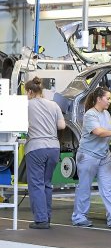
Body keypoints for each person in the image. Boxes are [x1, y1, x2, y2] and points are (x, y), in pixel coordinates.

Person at [72, 86, 111, 228]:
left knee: (108, 187)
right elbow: (98, 131)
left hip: (104, 156)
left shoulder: (106, 114)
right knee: (84, 188)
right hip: (88, 156)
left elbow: (108, 133)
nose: (109, 101)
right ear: (99, 99)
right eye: (108, 98)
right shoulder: (90, 115)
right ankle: (79, 217)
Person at [25, 77, 66, 229]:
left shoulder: (27, 105)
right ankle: (47, 217)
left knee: (36, 184)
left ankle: (41, 220)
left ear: (29, 91)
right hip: (54, 148)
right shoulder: (54, 104)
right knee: (46, 184)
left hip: (36, 147)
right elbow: (61, 126)